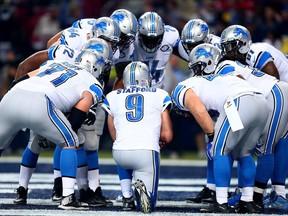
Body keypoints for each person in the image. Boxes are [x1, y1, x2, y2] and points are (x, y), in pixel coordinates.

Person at [13, 38, 114, 207]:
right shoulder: (67, 54)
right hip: (48, 102)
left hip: (49, 101)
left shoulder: (69, 54)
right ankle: (68, 190)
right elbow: (31, 62)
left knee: (42, 143)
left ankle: (27, 189)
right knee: (71, 140)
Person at [171, 43, 269, 213]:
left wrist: (211, 137)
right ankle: (247, 200)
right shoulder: (220, 77)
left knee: (219, 151)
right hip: (261, 102)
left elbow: (199, 110)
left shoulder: (181, 88)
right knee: (243, 153)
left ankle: (221, 202)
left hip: (238, 101)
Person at [220, 24, 288, 210]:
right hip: (272, 95)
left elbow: (267, 78)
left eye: (231, 46)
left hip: (276, 94)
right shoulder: (234, 64)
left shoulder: (250, 54)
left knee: (268, 147)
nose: (227, 51)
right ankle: (249, 193)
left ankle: (261, 196)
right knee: (249, 147)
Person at [102, 61, 173, 213]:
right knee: (148, 207)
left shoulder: (113, 96)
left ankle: (126, 196)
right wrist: (160, 141)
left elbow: (114, 133)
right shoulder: (159, 94)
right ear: (147, 79)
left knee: (122, 144)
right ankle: (143, 194)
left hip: (120, 153)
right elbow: (167, 135)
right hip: (146, 152)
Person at [180, 19, 221, 204]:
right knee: (211, 142)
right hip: (217, 97)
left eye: (195, 44)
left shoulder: (220, 49)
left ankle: (241, 190)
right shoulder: (201, 49)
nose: (191, 49)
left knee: (232, 147)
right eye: (188, 45)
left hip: (230, 97)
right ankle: (212, 187)